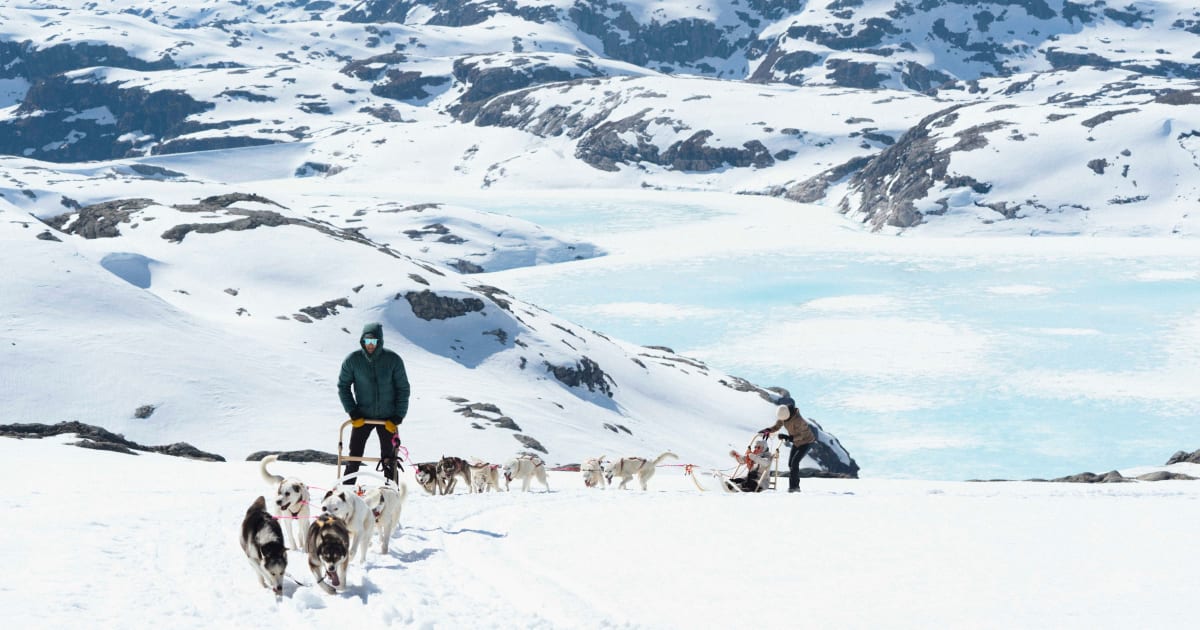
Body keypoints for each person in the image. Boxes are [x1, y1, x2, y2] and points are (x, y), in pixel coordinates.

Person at [338, 322, 410, 485]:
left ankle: (391, 492)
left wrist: (398, 416)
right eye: (367, 341)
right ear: (362, 341)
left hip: (388, 419)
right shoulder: (353, 360)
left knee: (389, 459)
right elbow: (343, 386)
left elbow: (403, 388)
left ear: (380, 341)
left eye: (374, 341)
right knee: (354, 457)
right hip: (362, 417)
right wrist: (353, 412)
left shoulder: (393, 360)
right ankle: (346, 492)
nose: (370, 345)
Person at [759, 395, 816, 493]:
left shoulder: (798, 420)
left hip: (806, 442)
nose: (783, 421)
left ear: (789, 415)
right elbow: (777, 426)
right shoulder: (783, 414)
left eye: (785, 420)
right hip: (796, 442)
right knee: (791, 464)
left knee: (795, 463)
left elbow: (803, 435)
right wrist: (767, 430)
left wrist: (788, 438)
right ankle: (793, 486)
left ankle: (794, 487)